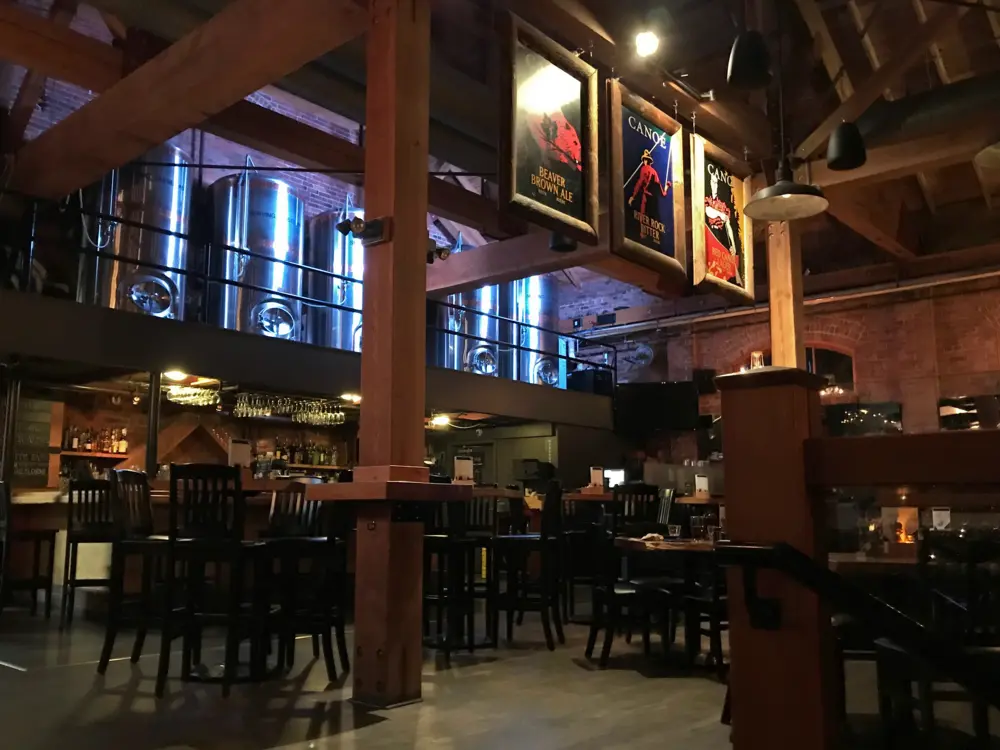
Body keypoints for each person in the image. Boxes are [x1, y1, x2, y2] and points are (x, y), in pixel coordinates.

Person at [705, 168, 743, 286]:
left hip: (722, 239)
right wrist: (720, 215)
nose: (714, 185)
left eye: (716, 183)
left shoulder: (723, 205)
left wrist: (734, 246)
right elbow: (707, 211)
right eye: (712, 182)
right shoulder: (708, 200)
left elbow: (729, 227)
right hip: (711, 235)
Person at [628, 149, 670, 216]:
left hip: (646, 200)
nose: (644, 162)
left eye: (644, 160)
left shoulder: (644, 169)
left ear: (646, 160)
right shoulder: (654, 172)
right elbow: (661, 192)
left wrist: (633, 197)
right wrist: (667, 187)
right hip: (654, 202)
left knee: (643, 220)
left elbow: (640, 182)